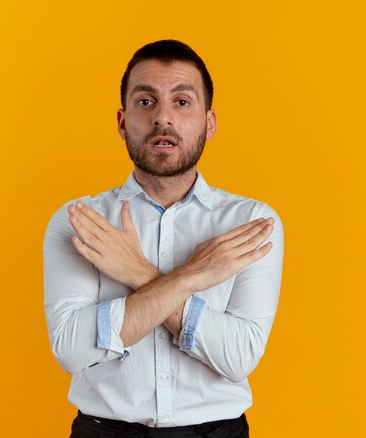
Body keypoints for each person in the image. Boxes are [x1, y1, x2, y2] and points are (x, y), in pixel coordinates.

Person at [44, 39, 284, 437]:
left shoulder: (251, 224)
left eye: (182, 102)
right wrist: (193, 275)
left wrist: (136, 272)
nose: (163, 118)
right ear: (122, 122)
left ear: (209, 122)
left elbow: (238, 357)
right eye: (145, 102)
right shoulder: (79, 221)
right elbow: (72, 350)